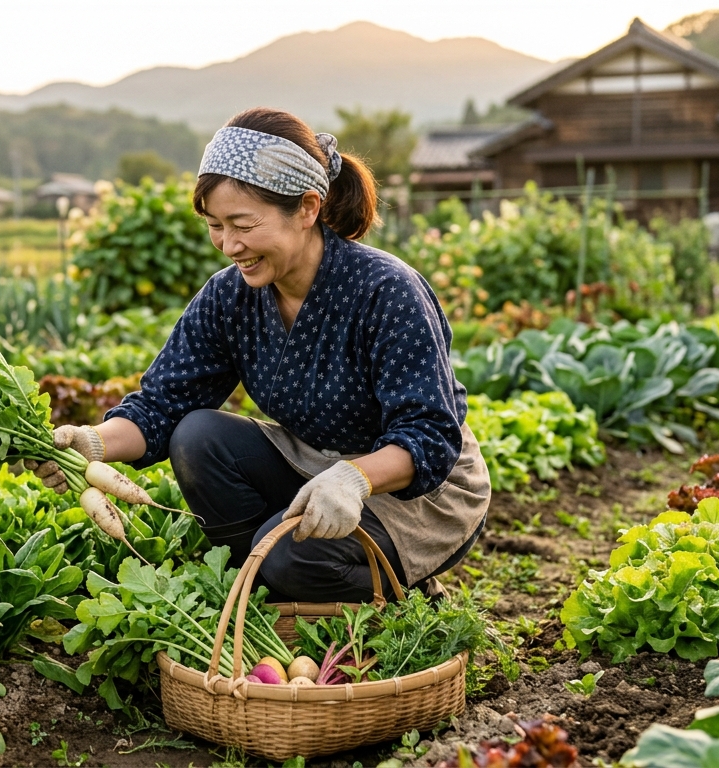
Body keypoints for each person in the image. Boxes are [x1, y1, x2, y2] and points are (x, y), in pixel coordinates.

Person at [29, 107, 490, 603]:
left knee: (290, 559)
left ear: (308, 208)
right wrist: (92, 444)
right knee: (198, 436)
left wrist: (356, 479)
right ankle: (270, 587)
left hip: (415, 489)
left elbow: (429, 435)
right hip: (314, 465)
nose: (229, 245)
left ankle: (408, 596)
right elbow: (163, 406)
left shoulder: (386, 290)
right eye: (214, 226)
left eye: (243, 224)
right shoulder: (231, 298)